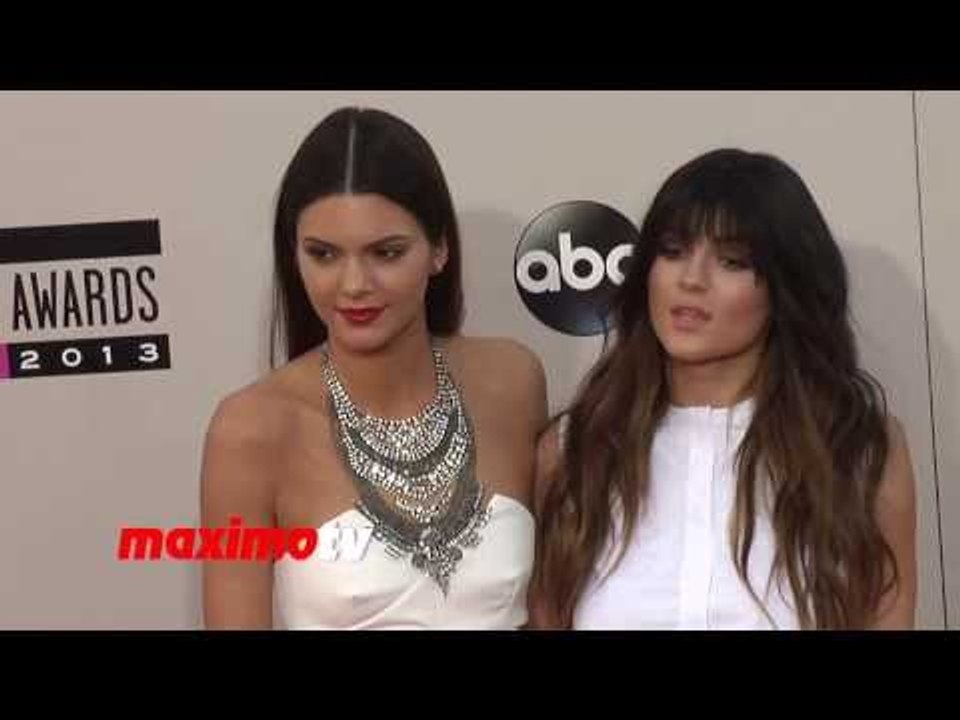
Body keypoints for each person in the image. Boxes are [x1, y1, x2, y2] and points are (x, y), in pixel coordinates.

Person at [530, 148, 917, 630]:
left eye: (732, 261)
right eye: (672, 252)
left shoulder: (858, 449)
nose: (691, 279)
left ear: (784, 286)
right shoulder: (575, 451)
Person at [201, 106, 546, 629]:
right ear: (293, 257)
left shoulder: (513, 381)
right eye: (324, 255)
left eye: (385, 252)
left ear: (439, 249)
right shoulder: (249, 431)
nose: (354, 284)